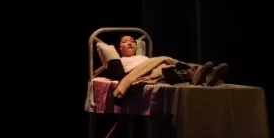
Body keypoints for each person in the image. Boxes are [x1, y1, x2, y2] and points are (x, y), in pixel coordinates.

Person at [96, 34, 230, 94]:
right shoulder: (118, 61)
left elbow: (153, 63)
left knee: (165, 66)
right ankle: (192, 74)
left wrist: (154, 62)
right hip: (140, 72)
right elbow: (112, 73)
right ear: (119, 48)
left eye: (132, 41)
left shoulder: (144, 57)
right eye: (125, 42)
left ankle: (206, 74)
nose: (130, 43)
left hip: (153, 66)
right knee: (164, 66)